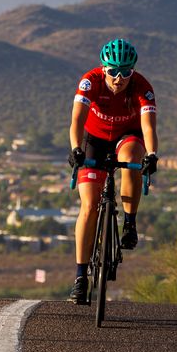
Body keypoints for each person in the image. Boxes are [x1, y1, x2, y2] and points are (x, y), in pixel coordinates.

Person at [67, 38, 159, 304]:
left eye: (126, 72)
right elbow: (76, 121)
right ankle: (81, 277)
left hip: (127, 137)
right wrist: (75, 149)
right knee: (89, 206)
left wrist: (152, 155)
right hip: (94, 140)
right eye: (113, 71)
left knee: (131, 156)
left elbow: (149, 129)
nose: (119, 78)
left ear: (133, 71)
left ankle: (129, 223)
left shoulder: (143, 88)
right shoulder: (90, 81)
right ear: (103, 67)